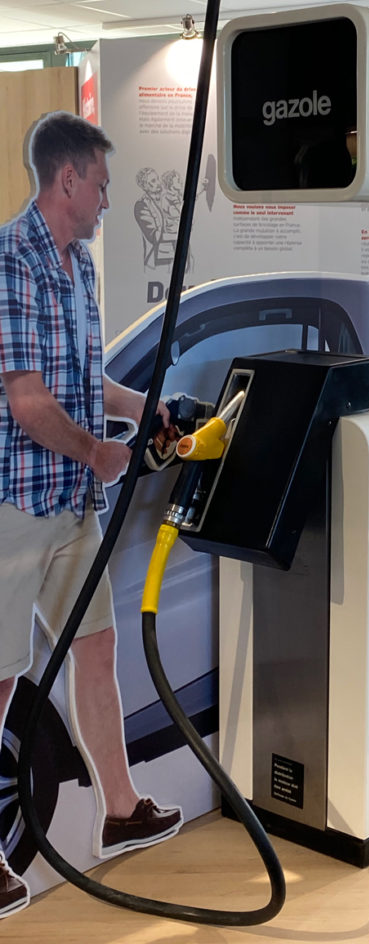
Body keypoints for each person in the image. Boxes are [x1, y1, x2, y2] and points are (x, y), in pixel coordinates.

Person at [0, 111, 182, 920]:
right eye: (103, 185)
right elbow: (30, 403)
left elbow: (84, 379)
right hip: (18, 505)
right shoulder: (11, 261)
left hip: (73, 504)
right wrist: (102, 456)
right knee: (0, 679)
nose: (109, 200)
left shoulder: (79, 266)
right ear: (66, 179)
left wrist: (143, 407)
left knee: (98, 650)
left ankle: (119, 809)